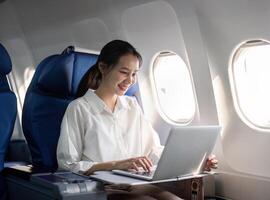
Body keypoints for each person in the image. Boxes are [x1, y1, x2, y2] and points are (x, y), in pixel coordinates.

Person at [56, 40, 217, 200]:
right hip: (103, 188)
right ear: (103, 67)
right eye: (124, 72)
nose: (130, 80)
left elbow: (152, 151)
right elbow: (68, 165)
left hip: (137, 183)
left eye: (134, 74)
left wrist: (194, 160)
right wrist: (116, 165)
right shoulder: (79, 108)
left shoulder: (132, 105)